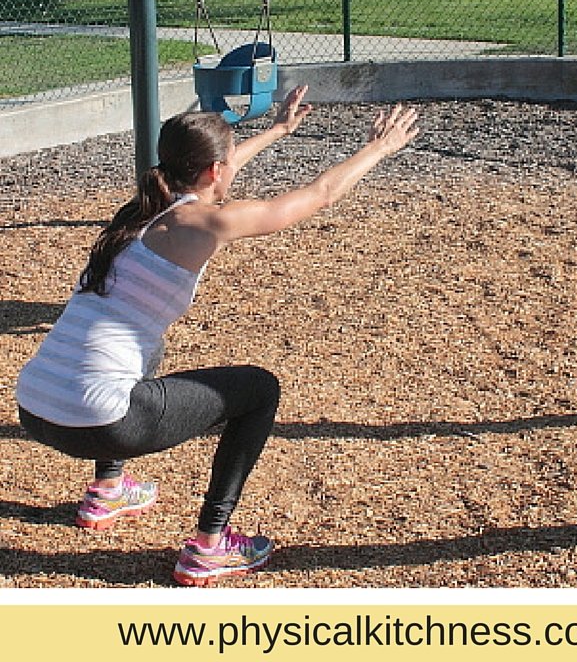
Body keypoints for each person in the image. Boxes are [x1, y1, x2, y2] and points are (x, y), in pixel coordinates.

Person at [16, 91, 418, 583]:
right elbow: (319, 196)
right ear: (213, 170)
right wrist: (380, 146)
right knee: (259, 390)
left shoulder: (138, 212)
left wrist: (277, 132)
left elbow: (213, 174)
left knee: (141, 347)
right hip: (98, 420)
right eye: (227, 162)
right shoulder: (205, 221)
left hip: (34, 408)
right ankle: (210, 545)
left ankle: (109, 488)